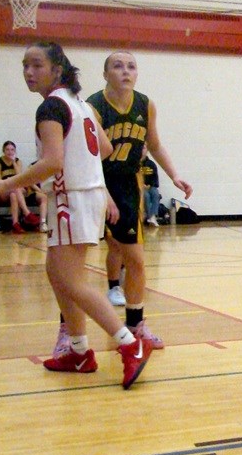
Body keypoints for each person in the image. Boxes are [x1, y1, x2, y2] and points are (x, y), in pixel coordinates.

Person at [0, 42, 152, 388]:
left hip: (73, 199)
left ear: (57, 69)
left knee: (70, 281)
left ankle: (130, 344)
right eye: (25, 65)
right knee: (57, 274)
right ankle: (79, 351)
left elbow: (52, 162)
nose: (28, 72)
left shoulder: (52, 107)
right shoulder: (79, 104)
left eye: (37, 65)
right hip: (86, 196)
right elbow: (107, 149)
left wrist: (6, 186)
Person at [80, 50, 193, 351]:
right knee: (73, 266)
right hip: (95, 186)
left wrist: (174, 176)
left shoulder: (145, 104)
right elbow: (89, 157)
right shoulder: (93, 106)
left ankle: (135, 324)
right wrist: (103, 194)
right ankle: (70, 332)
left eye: (131, 66)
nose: (125, 71)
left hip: (128, 186)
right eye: (117, 66)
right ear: (105, 74)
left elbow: (154, 143)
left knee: (137, 261)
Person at [0, 141, 43, 233]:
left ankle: (15, 224)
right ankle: (27, 214)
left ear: (15, 151)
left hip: (16, 190)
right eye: (7, 149)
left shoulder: (18, 161)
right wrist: (9, 183)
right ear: (3, 151)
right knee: (15, 189)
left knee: (14, 194)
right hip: (3, 190)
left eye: (12, 150)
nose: (10, 152)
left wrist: (13, 162)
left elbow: (20, 177)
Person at [140, 145, 161, 226]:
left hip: (150, 186)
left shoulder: (151, 164)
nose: (142, 151)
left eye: (144, 148)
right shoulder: (135, 164)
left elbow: (155, 178)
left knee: (156, 194)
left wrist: (150, 185)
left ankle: (152, 217)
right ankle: (149, 216)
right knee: (146, 196)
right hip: (139, 187)